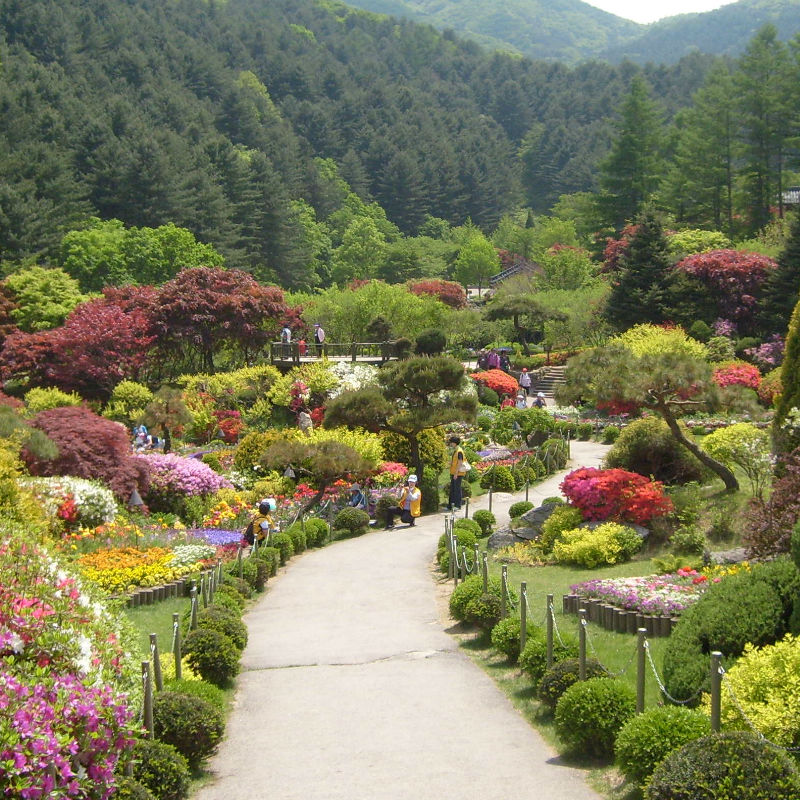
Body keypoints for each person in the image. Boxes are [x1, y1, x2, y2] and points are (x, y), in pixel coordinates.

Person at [447, 435, 468, 512]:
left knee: (457, 490)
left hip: (458, 474)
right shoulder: (456, 450)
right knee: (452, 489)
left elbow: (460, 462)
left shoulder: (459, 451)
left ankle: (457, 505)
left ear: (455, 443)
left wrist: (456, 473)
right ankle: (450, 505)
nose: (451, 444)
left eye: (451, 443)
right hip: (454, 472)